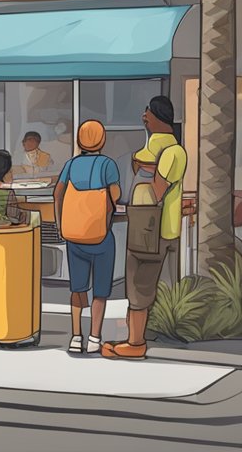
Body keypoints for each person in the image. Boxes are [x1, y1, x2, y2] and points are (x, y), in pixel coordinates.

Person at [103, 96, 186, 361]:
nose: (143, 117)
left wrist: (141, 170)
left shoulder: (172, 152)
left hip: (153, 228)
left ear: (157, 117)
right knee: (139, 283)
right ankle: (134, 337)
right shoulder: (153, 150)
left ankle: (136, 344)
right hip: (148, 225)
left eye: (147, 112)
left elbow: (157, 191)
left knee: (140, 284)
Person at [52, 120, 120, 355]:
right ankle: (94, 337)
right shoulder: (107, 165)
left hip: (74, 236)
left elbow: (57, 194)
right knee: (100, 291)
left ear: (80, 141)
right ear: (102, 141)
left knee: (77, 288)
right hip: (101, 236)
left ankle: (75, 336)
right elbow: (116, 197)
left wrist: (61, 225)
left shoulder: (70, 165)